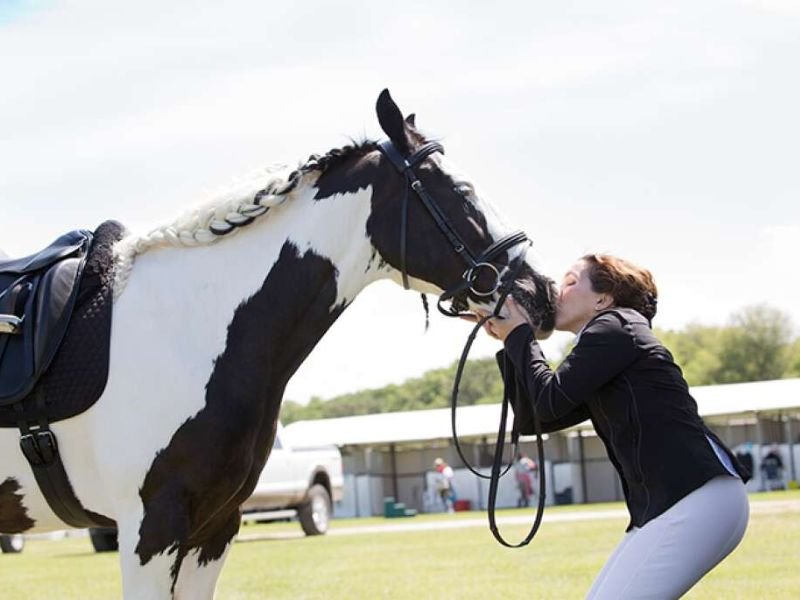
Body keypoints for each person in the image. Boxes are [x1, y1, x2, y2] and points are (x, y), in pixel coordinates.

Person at [478, 253, 751, 599]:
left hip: (696, 499)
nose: (557, 291)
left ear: (603, 299)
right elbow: (537, 417)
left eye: (571, 281)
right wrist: (510, 340)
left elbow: (548, 400)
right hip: (692, 500)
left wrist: (519, 334)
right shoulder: (612, 337)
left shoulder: (616, 324)